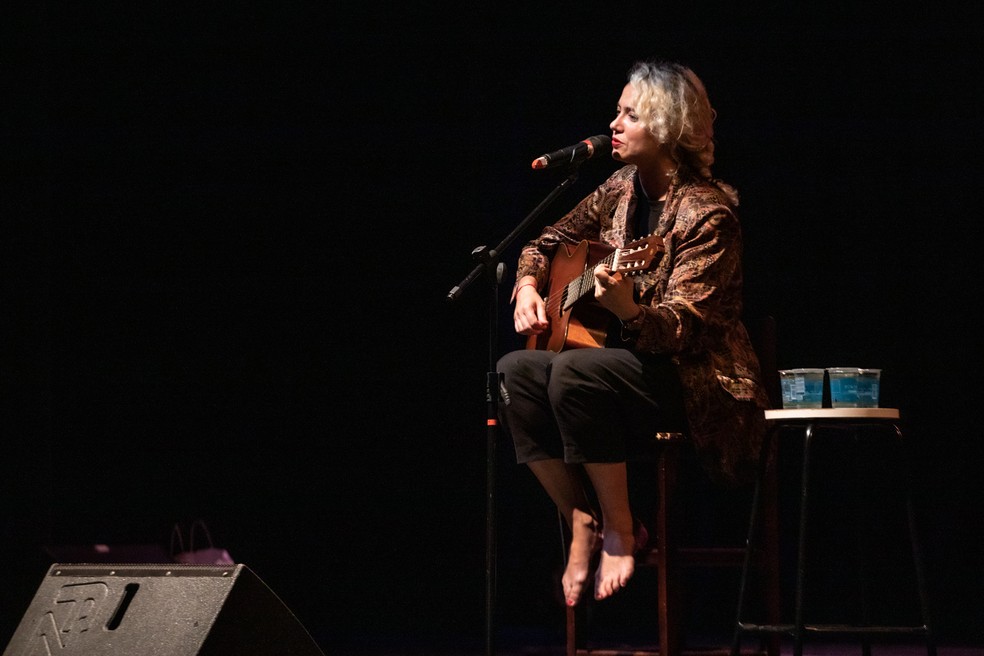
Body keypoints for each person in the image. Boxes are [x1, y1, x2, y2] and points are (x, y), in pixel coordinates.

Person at [496, 59, 770, 609]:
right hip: (621, 373)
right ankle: (584, 521)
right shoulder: (619, 187)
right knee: (516, 372)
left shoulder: (709, 215)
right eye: (616, 112)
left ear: (667, 127)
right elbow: (546, 241)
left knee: (574, 371)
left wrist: (629, 311)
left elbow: (688, 329)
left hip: (695, 384)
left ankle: (621, 529)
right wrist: (528, 285)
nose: (613, 124)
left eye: (630, 114)